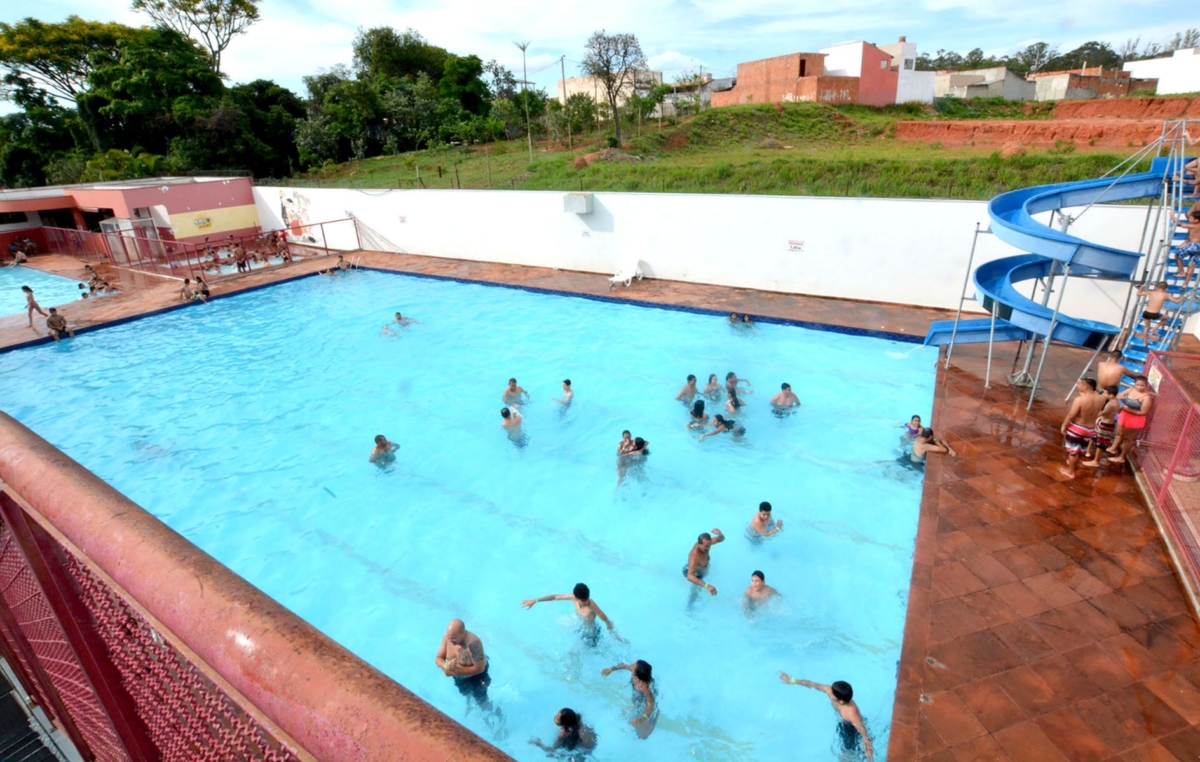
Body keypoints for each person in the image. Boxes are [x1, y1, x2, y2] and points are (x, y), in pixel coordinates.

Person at [778, 674, 874, 759]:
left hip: (851, 728)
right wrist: (792, 680)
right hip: (843, 723)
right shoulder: (831, 691)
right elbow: (811, 684)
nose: (829, 691)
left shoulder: (852, 714)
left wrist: (869, 753)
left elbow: (865, 735)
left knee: (846, 753)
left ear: (841, 701)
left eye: (832, 692)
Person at [521, 582, 625, 645]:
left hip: (592, 635)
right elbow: (554, 597)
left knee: (575, 653)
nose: (585, 602)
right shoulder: (573, 597)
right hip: (579, 627)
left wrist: (615, 635)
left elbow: (606, 620)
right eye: (582, 600)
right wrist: (535, 600)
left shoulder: (592, 606)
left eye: (586, 599)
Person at [435, 619, 493, 710]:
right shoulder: (448, 637)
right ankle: (469, 704)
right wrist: (446, 666)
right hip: (460, 677)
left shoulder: (473, 644)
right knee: (466, 693)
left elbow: (479, 668)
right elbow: (438, 658)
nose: (450, 641)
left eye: (453, 638)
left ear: (463, 633)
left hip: (477, 676)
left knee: (482, 701)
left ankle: (494, 714)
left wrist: (455, 672)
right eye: (449, 637)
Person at [1060, 378, 1106, 479]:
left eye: (1079, 384)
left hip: (1077, 427)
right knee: (1080, 450)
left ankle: (1070, 472)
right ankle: (1074, 466)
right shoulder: (1102, 398)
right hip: (1090, 429)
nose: (1077, 385)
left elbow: (1072, 415)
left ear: (1085, 387)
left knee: (1073, 452)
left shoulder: (1080, 400)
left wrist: (1064, 425)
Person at [600, 660, 657, 739]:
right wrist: (611, 669)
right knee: (623, 717)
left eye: (633, 666)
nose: (631, 666)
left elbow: (651, 704)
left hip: (642, 704)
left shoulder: (644, 687)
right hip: (636, 700)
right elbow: (623, 665)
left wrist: (642, 718)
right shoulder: (636, 674)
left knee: (642, 734)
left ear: (637, 674)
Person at [1107, 375, 1154, 464]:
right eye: (1137, 385)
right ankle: (1113, 448)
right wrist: (1122, 398)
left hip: (1135, 419)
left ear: (1146, 385)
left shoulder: (1146, 397)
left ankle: (1122, 457)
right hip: (1124, 415)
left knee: (1128, 439)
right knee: (1119, 433)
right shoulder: (1131, 389)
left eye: (1142, 385)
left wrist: (1125, 408)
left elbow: (1143, 412)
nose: (1139, 387)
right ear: (1134, 384)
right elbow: (1120, 395)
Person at [529, 708, 596, 756]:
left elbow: (551, 751)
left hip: (581, 754)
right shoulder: (580, 724)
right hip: (590, 747)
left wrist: (539, 744)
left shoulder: (564, 734)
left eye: (557, 718)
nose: (555, 716)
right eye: (557, 713)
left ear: (564, 724)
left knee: (554, 755)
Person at [1082, 385, 1120, 468]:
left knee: (1100, 444)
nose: (1103, 394)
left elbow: (1101, 413)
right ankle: (1095, 459)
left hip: (1105, 425)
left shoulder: (1111, 404)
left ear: (1111, 395)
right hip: (1107, 423)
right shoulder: (1115, 402)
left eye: (1105, 393)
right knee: (1098, 440)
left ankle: (1096, 461)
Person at [684, 529, 725, 595]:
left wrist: (720, 534)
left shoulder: (707, 543)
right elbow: (690, 576)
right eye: (706, 547)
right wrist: (707, 586)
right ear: (699, 544)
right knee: (695, 594)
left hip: (702, 568)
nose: (708, 548)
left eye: (709, 546)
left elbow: (721, 539)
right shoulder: (694, 555)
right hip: (696, 574)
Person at [1171, 209, 1200, 285]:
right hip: (1198, 247)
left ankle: (1182, 272)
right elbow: (1189, 238)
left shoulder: (1194, 226)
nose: (1189, 219)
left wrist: (1172, 215)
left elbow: (1179, 224)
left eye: (1191, 218)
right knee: (1192, 264)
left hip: (1193, 245)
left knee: (1177, 255)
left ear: (1196, 220)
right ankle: (1186, 283)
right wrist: (1184, 244)